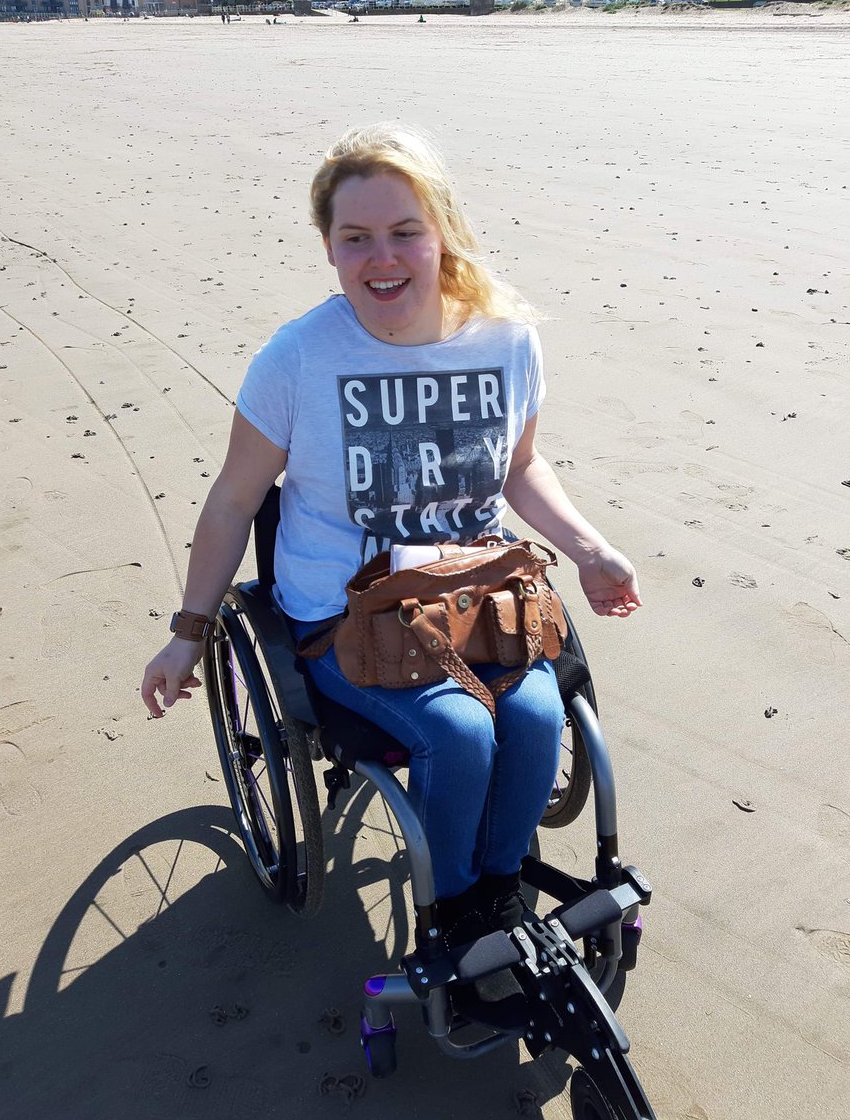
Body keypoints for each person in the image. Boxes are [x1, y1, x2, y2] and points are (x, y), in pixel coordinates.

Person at [141, 123, 641, 949]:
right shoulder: (299, 359)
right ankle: (451, 917)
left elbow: (519, 468)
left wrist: (591, 551)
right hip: (345, 615)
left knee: (537, 716)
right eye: (356, 238)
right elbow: (233, 501)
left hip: (479, 594)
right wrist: (188, 633)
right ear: (330, 249)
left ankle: (499, 888)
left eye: (405, 232)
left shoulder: (506, 338)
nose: (384, 258)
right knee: (459, 729)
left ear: (440, 230)